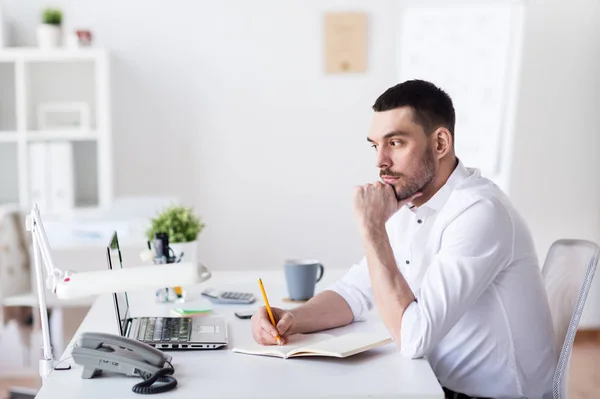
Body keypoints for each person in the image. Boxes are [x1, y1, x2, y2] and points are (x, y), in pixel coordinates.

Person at [251, 79, 556, 399]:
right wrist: (291, 320)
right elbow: (355, 291)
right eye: (375, 145)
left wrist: (372, 230)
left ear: (440, 143)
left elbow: (414, 338)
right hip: (433, 383)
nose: (379, 161)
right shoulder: (409, 203)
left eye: (395, 143)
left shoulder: (480, 213)